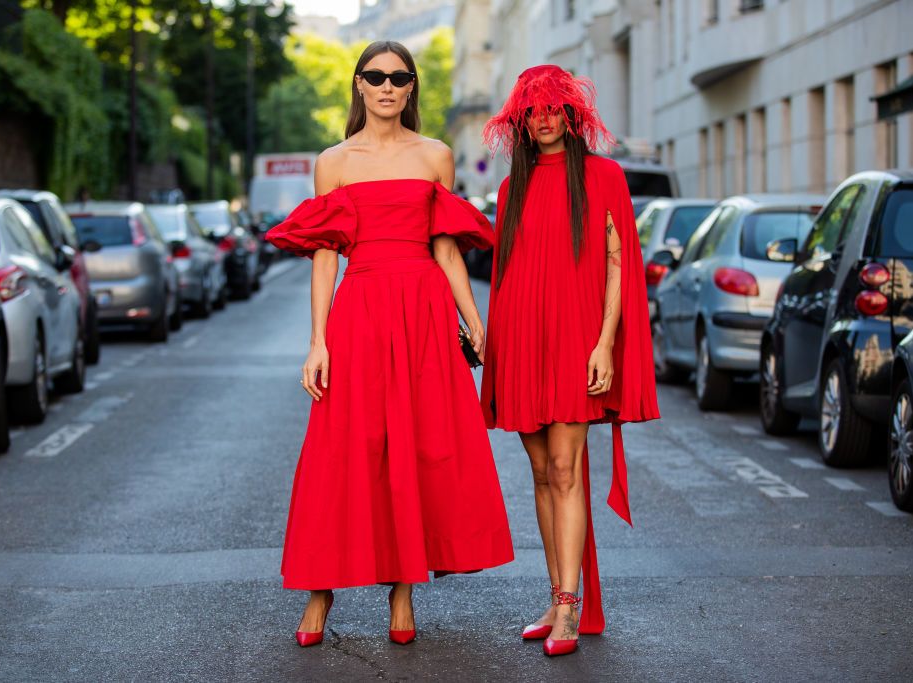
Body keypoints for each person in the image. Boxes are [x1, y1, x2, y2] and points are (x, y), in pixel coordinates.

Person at [265, 40, 513, 648]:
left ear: (410, 88)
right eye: (375, 76)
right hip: (361, 308)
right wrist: (317, 341)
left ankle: (403, 590)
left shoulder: (436, 156)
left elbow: (447, 248)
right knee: (343, 448)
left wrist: (474, 322)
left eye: (399, 77)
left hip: (425, 310)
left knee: (418, 444)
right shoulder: (334, 162)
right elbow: (325, 254)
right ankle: (319, 592)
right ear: (357, 84)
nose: (386, 86)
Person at [480, 65, 659, 657]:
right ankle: (556, 592)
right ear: (522, 124)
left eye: (556, 109)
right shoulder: (512, 190)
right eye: (534, 112)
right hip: (523, 341)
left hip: (578, 342)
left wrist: (605, 342)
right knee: (538, 473)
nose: (546, 119)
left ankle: (568, 608)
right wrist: (495, 346)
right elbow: (504, 277)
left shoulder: (605, 177)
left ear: (573, 115)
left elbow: (618, 267)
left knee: (565, 469)